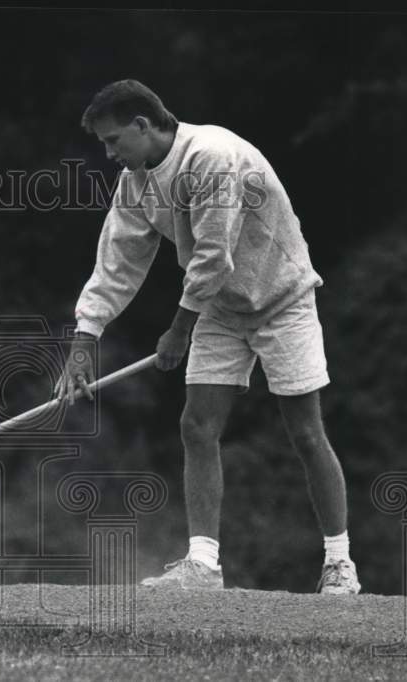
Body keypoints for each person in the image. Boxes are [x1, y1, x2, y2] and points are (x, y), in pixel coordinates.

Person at [53, 79, 360, 595]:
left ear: (142, 125)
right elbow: (118, 262)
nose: (109, 154)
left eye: (113, 141)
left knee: (306, 433)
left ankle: (339, 563)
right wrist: (86, 338)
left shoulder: (213, 156)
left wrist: (177, 332)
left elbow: (214, 253)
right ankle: (204, 565)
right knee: (196, 426)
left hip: (283, 298)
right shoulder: (136, 182)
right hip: (217, 308)